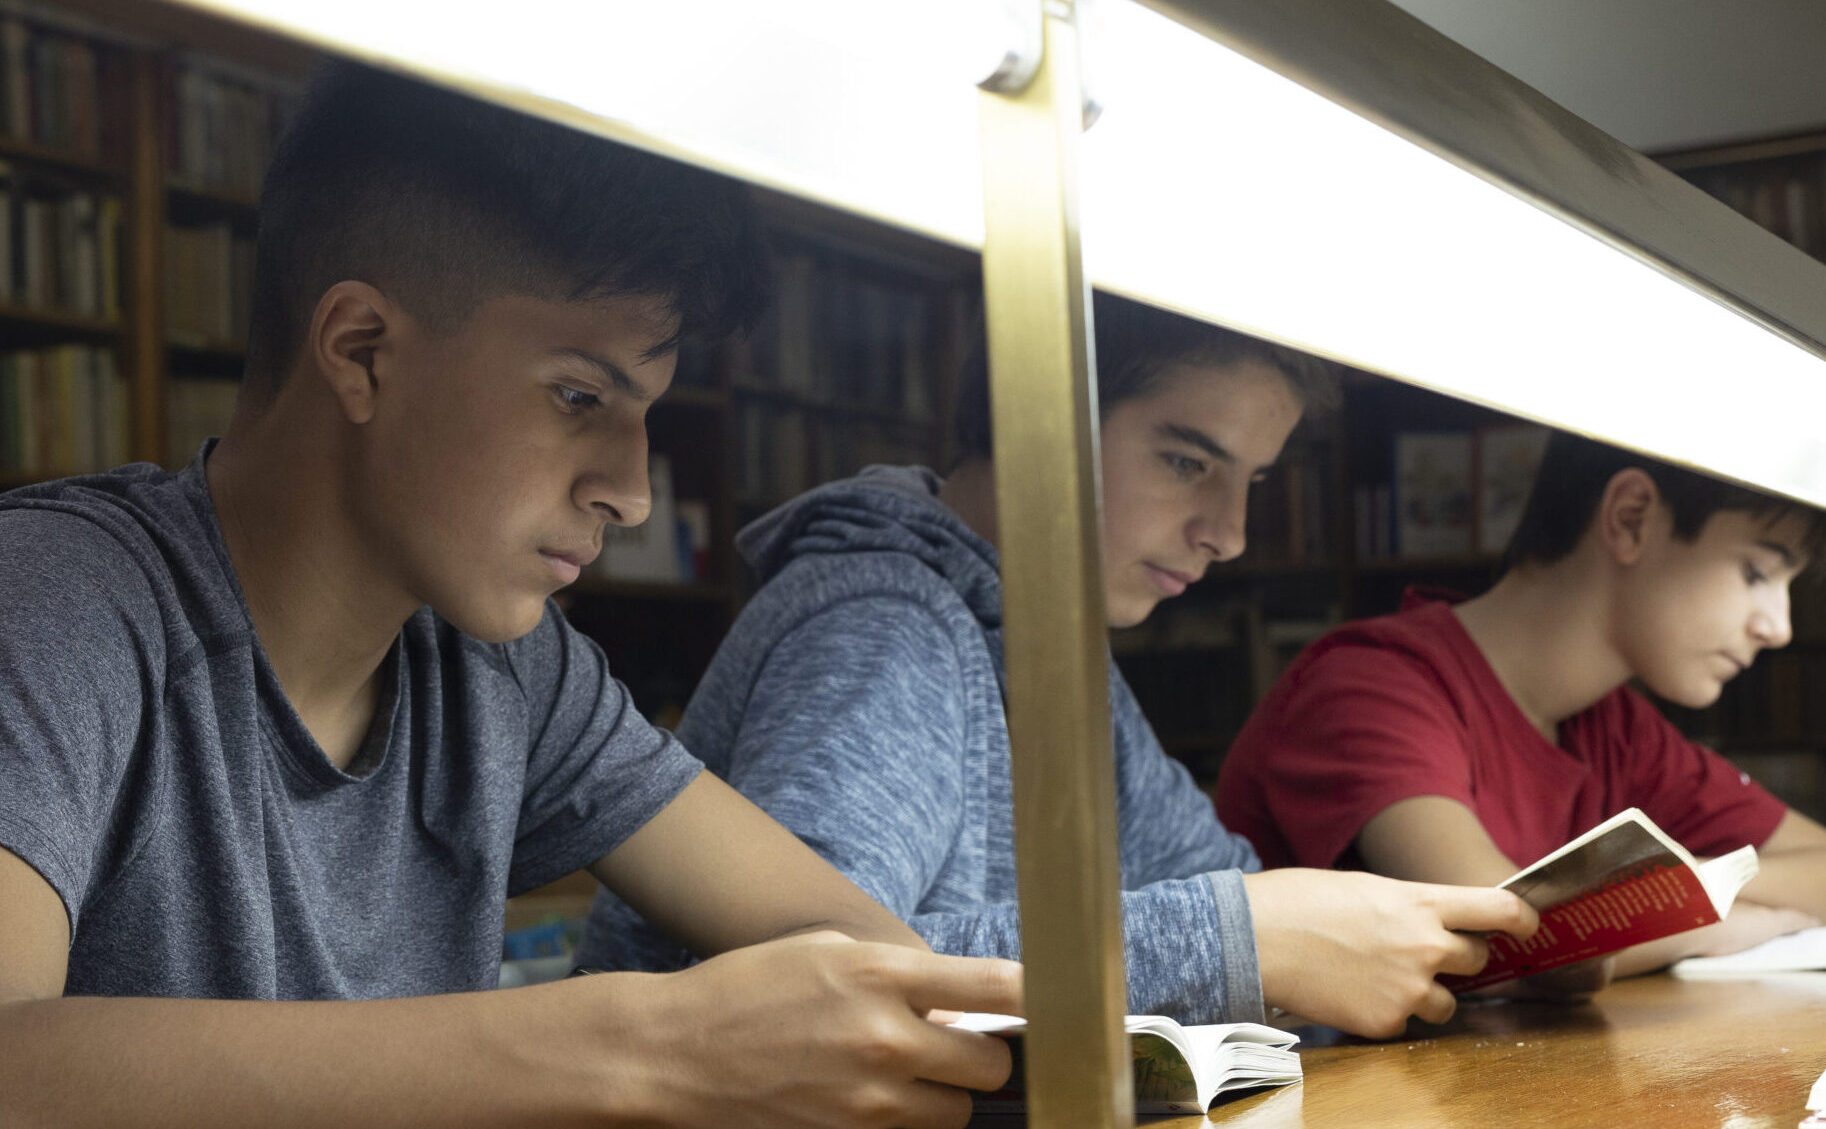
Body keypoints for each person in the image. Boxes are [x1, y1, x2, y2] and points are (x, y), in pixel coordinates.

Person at [0, 62, 1026, 1129]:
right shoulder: (58, 599)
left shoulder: (500, 668)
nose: (629, 492)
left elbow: (857, 946)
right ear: (361, 351)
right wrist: (644, 1048)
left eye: (643, 416)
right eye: (579, 395)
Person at [578, 293, 1540, 1038]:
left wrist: (1398, 954)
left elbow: (1240, 897)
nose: (1231, 533)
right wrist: (1238, 941)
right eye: (1185, 462)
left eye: (1251, 481)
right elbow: (817, 986)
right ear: (1037, 409)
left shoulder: (1057, 652)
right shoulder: (881, 623)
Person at [1215, 430, 1826, 980]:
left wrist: (1691, 884)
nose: (1779, 628)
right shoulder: (1368, 686)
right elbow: (1508, 940)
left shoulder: (1616, 728)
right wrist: (1722, 918)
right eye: (1756, 572)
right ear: (1631, 518)